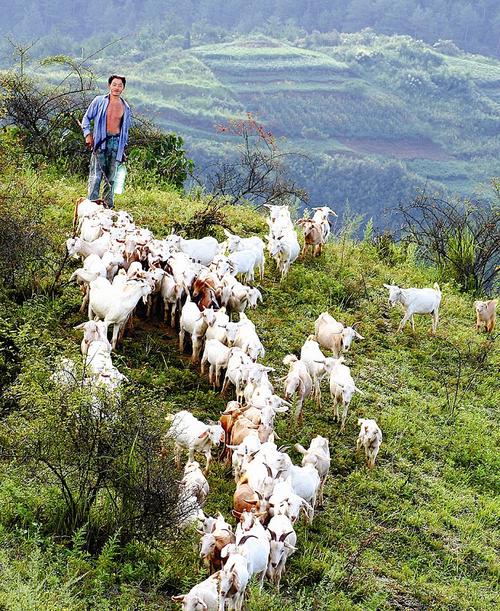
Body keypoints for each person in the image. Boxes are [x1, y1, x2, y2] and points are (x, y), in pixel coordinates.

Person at [81, 74, 132, 208]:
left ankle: (108, 206)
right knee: (96, 175)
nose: (117, 88)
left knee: (112, 178)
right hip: (100, 142)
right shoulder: (99, 101)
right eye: (114, 84)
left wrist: (123, 150)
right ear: (109, 85)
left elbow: (125, 131)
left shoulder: (126, 108)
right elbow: (86, 118)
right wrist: (88, 135)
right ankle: (92, 204)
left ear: (123, 88)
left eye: (120, 85)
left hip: (116, 145)